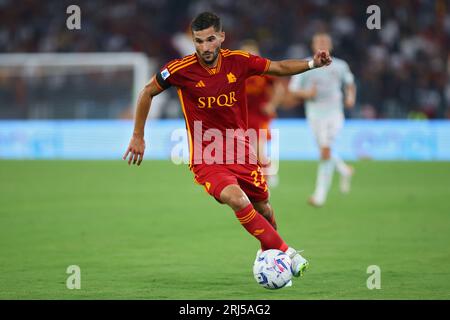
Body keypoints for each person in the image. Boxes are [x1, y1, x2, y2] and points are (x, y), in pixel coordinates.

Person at [123, 12, 331, 280]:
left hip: (240, 149)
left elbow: (277, 67)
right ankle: (286, 253)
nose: (205, 47)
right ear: (193, 41)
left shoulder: (239, 61)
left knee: (264, 207)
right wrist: (138, 135)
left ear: (221, 37)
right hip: (207, 155)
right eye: (198, 41)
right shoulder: (179, 69)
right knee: (236, 198)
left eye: (210, 39)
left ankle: (268, 254)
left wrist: (313, 62)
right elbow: (147, 92)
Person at [288, 32, 356, 207]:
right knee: (325, 151)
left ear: (331, 45)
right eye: (318, 41)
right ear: (313, 45)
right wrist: (307, 94)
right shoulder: (305, 65)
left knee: (325, 151)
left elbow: (349, 83)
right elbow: (293, 89)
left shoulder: (340, 65)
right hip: (314, 114)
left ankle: (319, 195)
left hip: (334, 113)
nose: (322, 44)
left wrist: (350, 97)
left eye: (325, 41)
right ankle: (344, 170)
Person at [240, 40, 285, 187]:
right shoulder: (237, 72)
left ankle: (267, 176)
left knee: (259, 146)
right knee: (249, 149)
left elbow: (280, 89)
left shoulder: (264, 71)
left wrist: (272, 105)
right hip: (243, 116)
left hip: (260, 115)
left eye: (252, 54)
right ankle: (263, 173)